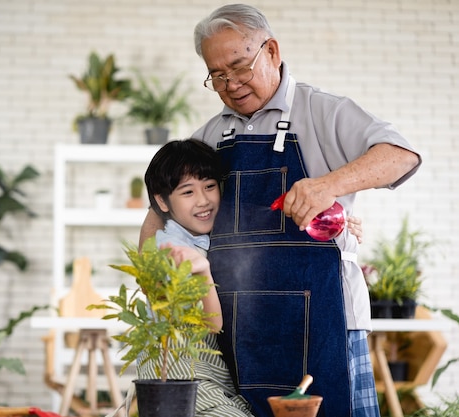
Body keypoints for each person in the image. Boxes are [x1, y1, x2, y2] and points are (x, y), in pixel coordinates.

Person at [140, 4, 421, 417]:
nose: (231, 84)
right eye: (218, 75)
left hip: (326, 320)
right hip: (238, 328)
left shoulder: (324, 111)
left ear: (271, 51)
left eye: (239, 67)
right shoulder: (209, 136)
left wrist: (329, 185)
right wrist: (154, 274)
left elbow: (401, 156)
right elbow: (158, 214)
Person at [141, 138, 253, 417]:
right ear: (161, 201)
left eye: (210, 186)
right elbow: (211, 325)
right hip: (178, 369)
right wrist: (202, 271)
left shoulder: (205, 237)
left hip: (205, 370)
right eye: (187, 192)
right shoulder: (171, 252)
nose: (203, 200)